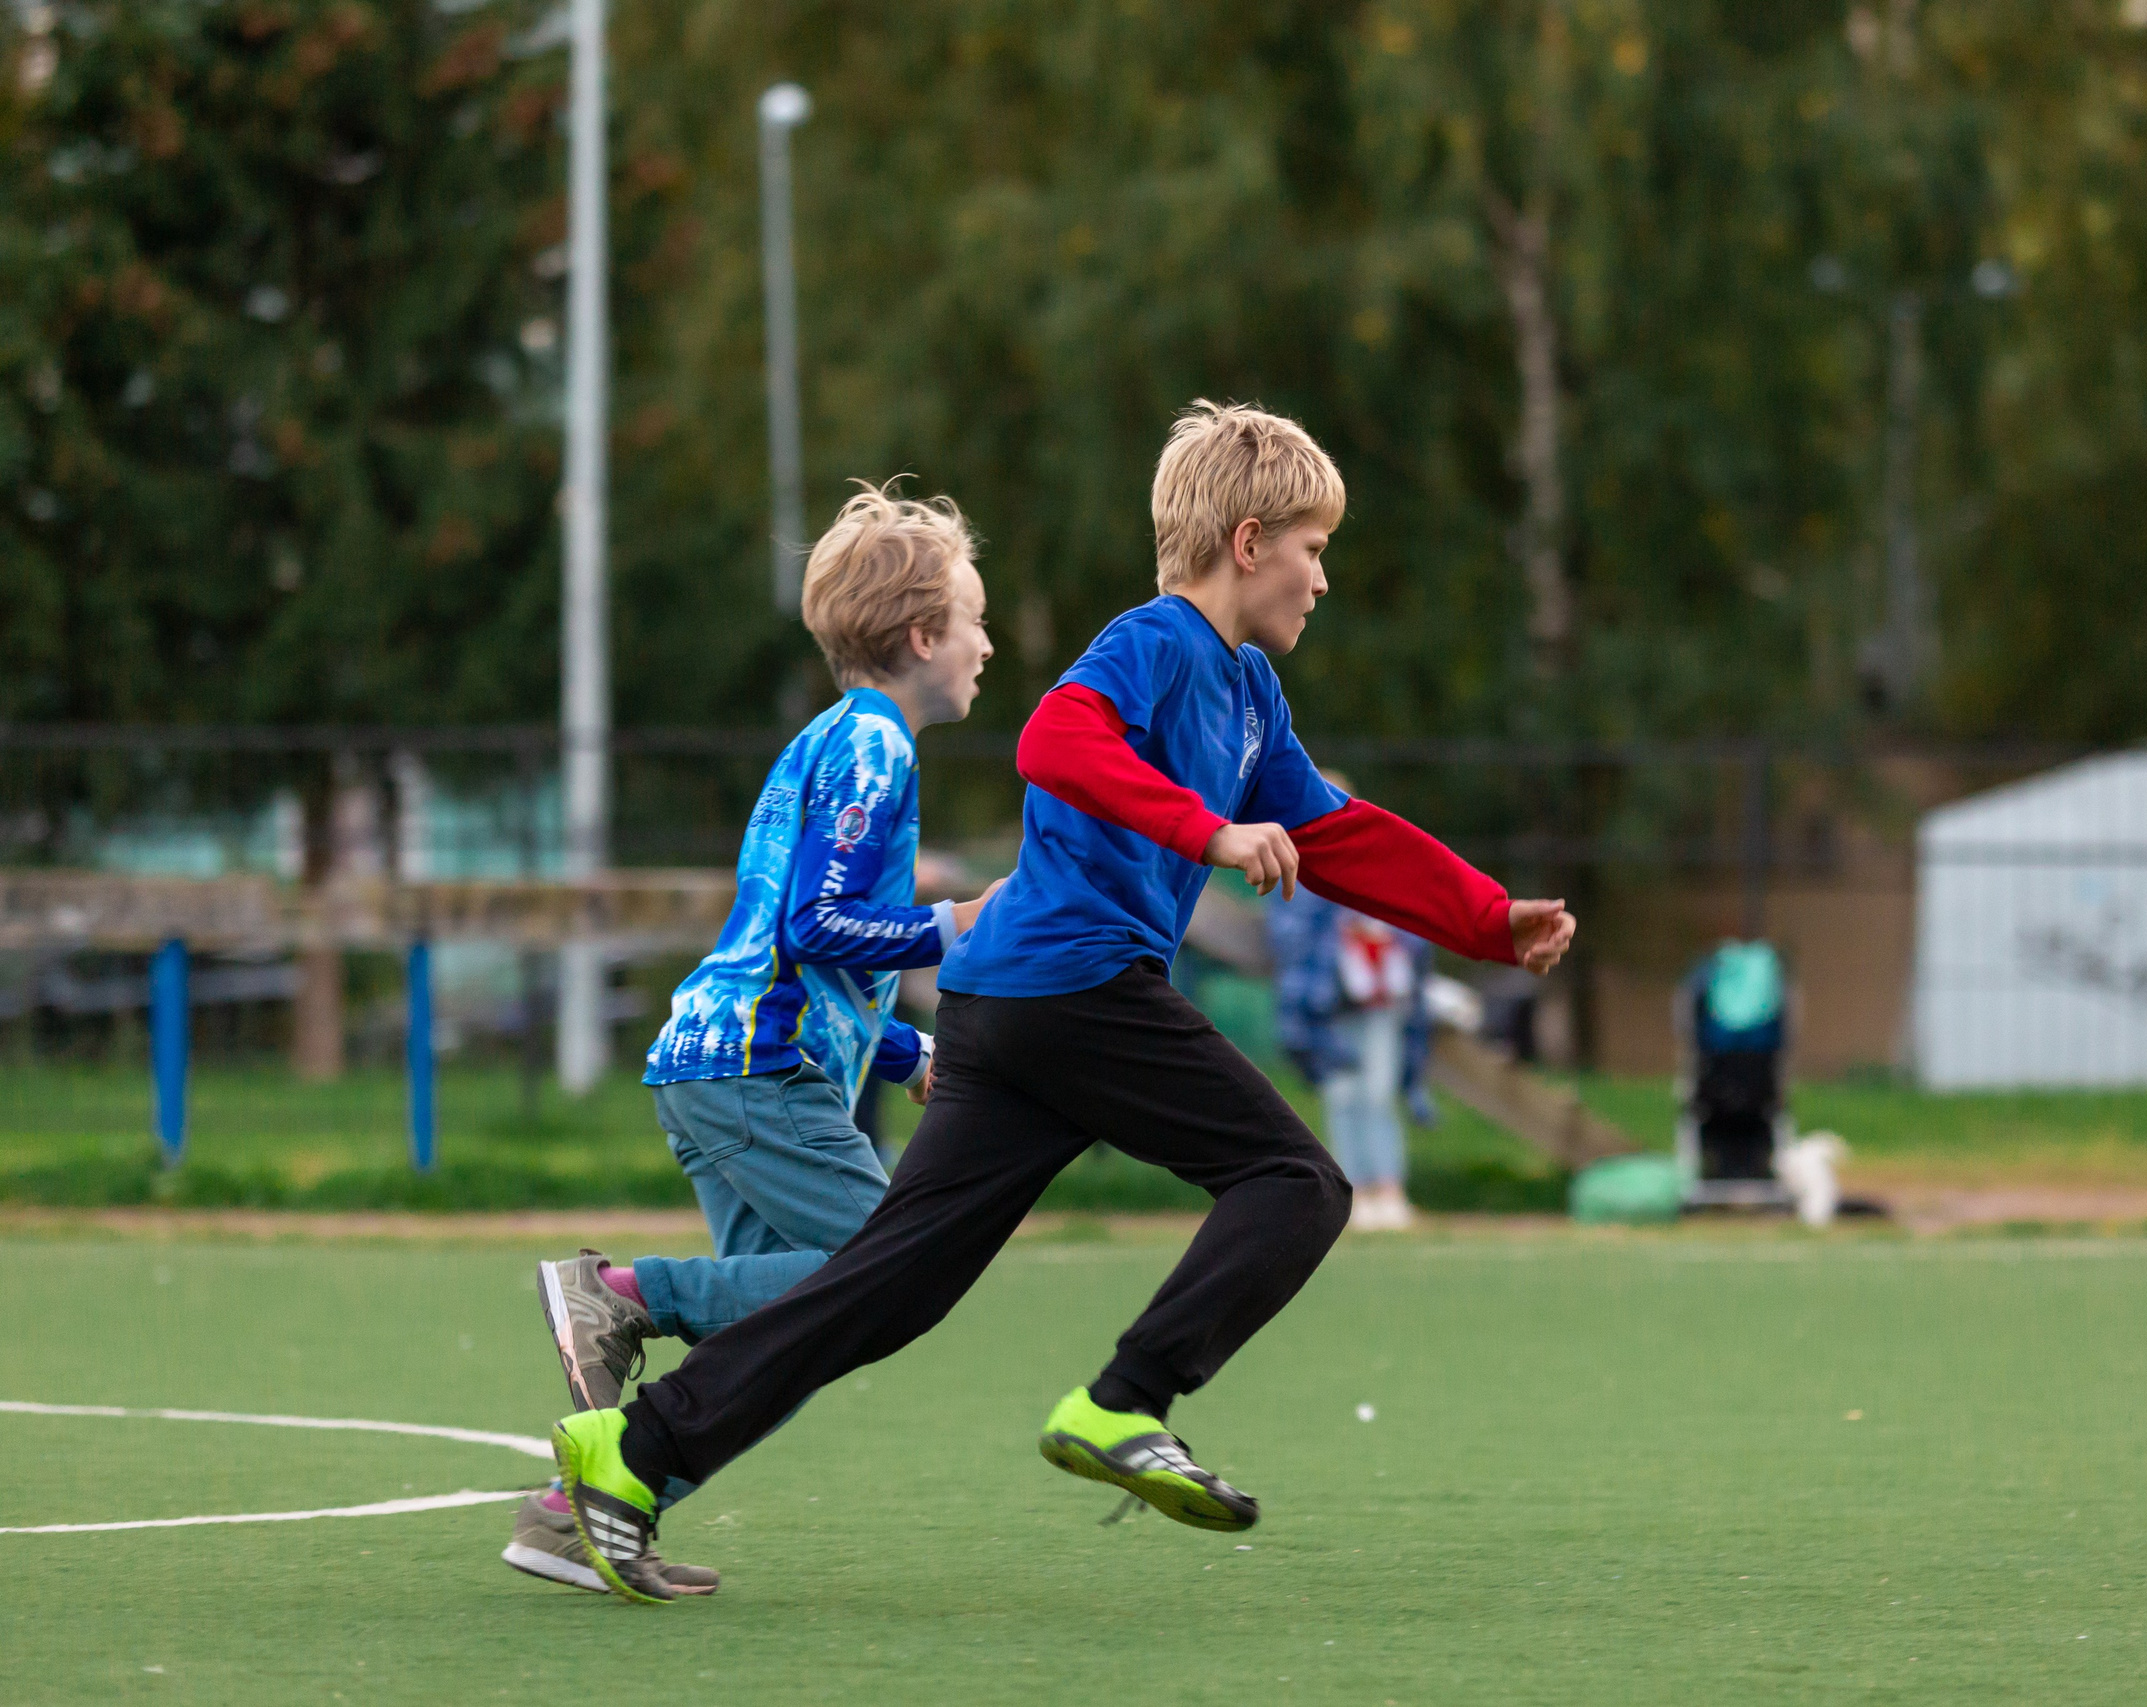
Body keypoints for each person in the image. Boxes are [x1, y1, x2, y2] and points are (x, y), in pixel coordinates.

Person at [546, 400, 1577, 1604]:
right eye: (1312, 546)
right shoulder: (1154, 642)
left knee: (894, 1281)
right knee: (1297, 1183)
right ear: (1248, 542)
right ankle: (1125, 1402)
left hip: (1006, 1006)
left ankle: (633, 1452)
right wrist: (1210, 830)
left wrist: (1483, 919)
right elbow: (1053, 739)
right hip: (1078, 988)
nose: (1322, 577)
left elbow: (1339, 832)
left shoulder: (1248, 696)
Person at [501, 485, 1000, 1597]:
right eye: (973, 619)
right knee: (887, 1270)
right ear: (920, 637)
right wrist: (952, 927)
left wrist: (904, 1055)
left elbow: (806, 960)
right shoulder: (876, 748)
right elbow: (812, 926)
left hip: (735, 1062)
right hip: (752, 1074)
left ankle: (582, 1513)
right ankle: (623, 1294)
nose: (987, 643)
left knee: (799, 1332)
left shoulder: (836, 740)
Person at [1269, 842, 1433, 1232]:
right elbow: (1291, 943)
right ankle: (1353, 1192)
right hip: (1326, 1008)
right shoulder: (1295, 881)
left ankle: (1390, 1190)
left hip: (1379, 1003)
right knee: (1342, 1097)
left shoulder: (1379, 869)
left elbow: (1412, 935)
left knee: (1378, 1094)